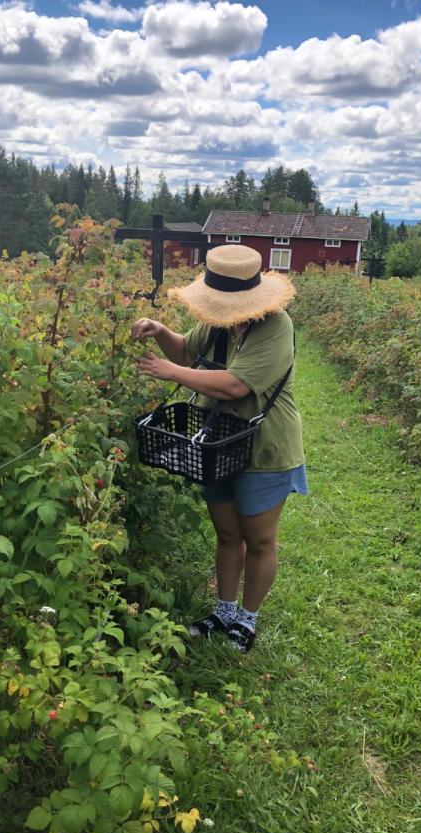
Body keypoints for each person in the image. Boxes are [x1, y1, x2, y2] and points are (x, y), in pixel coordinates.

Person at [131, 243, 308, 653]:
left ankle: (247, 619)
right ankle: (224, 611)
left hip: (264, 446)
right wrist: (162, 333)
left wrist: (171, 373)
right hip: (217, 441)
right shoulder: (218, 324)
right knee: (228, 535)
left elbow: (235, 384)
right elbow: (187, 351)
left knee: (259, 538)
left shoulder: (276, 326)